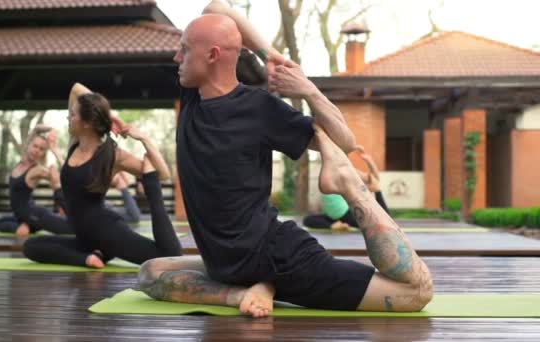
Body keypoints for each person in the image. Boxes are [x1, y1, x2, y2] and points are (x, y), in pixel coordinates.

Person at [137, 0, 433, 318]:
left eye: (184, 49)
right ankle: (245, 292)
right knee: (150, 273)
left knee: (414, 291)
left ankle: (348, 185)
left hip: (276, 255)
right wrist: (270, 54)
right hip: (225, 262)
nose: (176, 57)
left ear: (211, 56)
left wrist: (309, 91)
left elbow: (345, 142)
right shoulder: (193, 92)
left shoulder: (260, 108)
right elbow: (215, 7)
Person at [22, 83, 182, 268]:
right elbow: (76, 88)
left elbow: (162, 174)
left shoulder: (113, 155)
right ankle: (89, 258)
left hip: (108, 233)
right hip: (84, 237)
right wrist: (108, 115)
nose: (68, 116)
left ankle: (100, 252)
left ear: (87, 123)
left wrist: (144, 139)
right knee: (31, 247)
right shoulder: (75, 143)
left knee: (167, 257)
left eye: (73, 115)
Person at [0, 126, 73, 236]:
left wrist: (55, 150)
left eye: (42, 149)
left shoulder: (37, 170)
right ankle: (28, 225)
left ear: (44, 154)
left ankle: (28, 225)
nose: (37, 151)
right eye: (35, 146)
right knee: (0, 222)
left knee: (70, 229)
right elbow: (36, 129)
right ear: (28, 146)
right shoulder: (22, 162)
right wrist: (51, 129)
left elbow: (69, 175)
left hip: (34, 214)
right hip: (21, 215)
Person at [303, 146, 391, 230]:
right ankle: (334, 225)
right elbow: (373, 179)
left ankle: (334, 224)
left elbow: (373, 179)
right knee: (308, 220)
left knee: (383, 220)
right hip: (340, 215)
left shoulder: (345, 172)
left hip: (343, 214)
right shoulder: (338, 172)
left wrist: (369, 160)